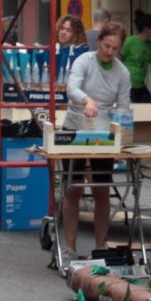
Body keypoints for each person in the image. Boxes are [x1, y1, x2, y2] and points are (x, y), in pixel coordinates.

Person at [61, 23, 130, 256]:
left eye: (115, 49)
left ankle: (101, 245)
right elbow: (72, 88)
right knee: (73, 188)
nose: (109, 52)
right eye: (106, 46)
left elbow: (122, 106)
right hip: (76, 126)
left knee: (101, 188)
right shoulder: (84, 61)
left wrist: (120, 126)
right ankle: (70, 247)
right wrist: (87, 100)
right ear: (98, 41)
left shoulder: (122, 72)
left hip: (101, 132)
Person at [120, 11, 151, 104]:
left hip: (140, 87)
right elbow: (119, 61)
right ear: (146, 28)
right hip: (127, 87)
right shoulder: (129, 42)